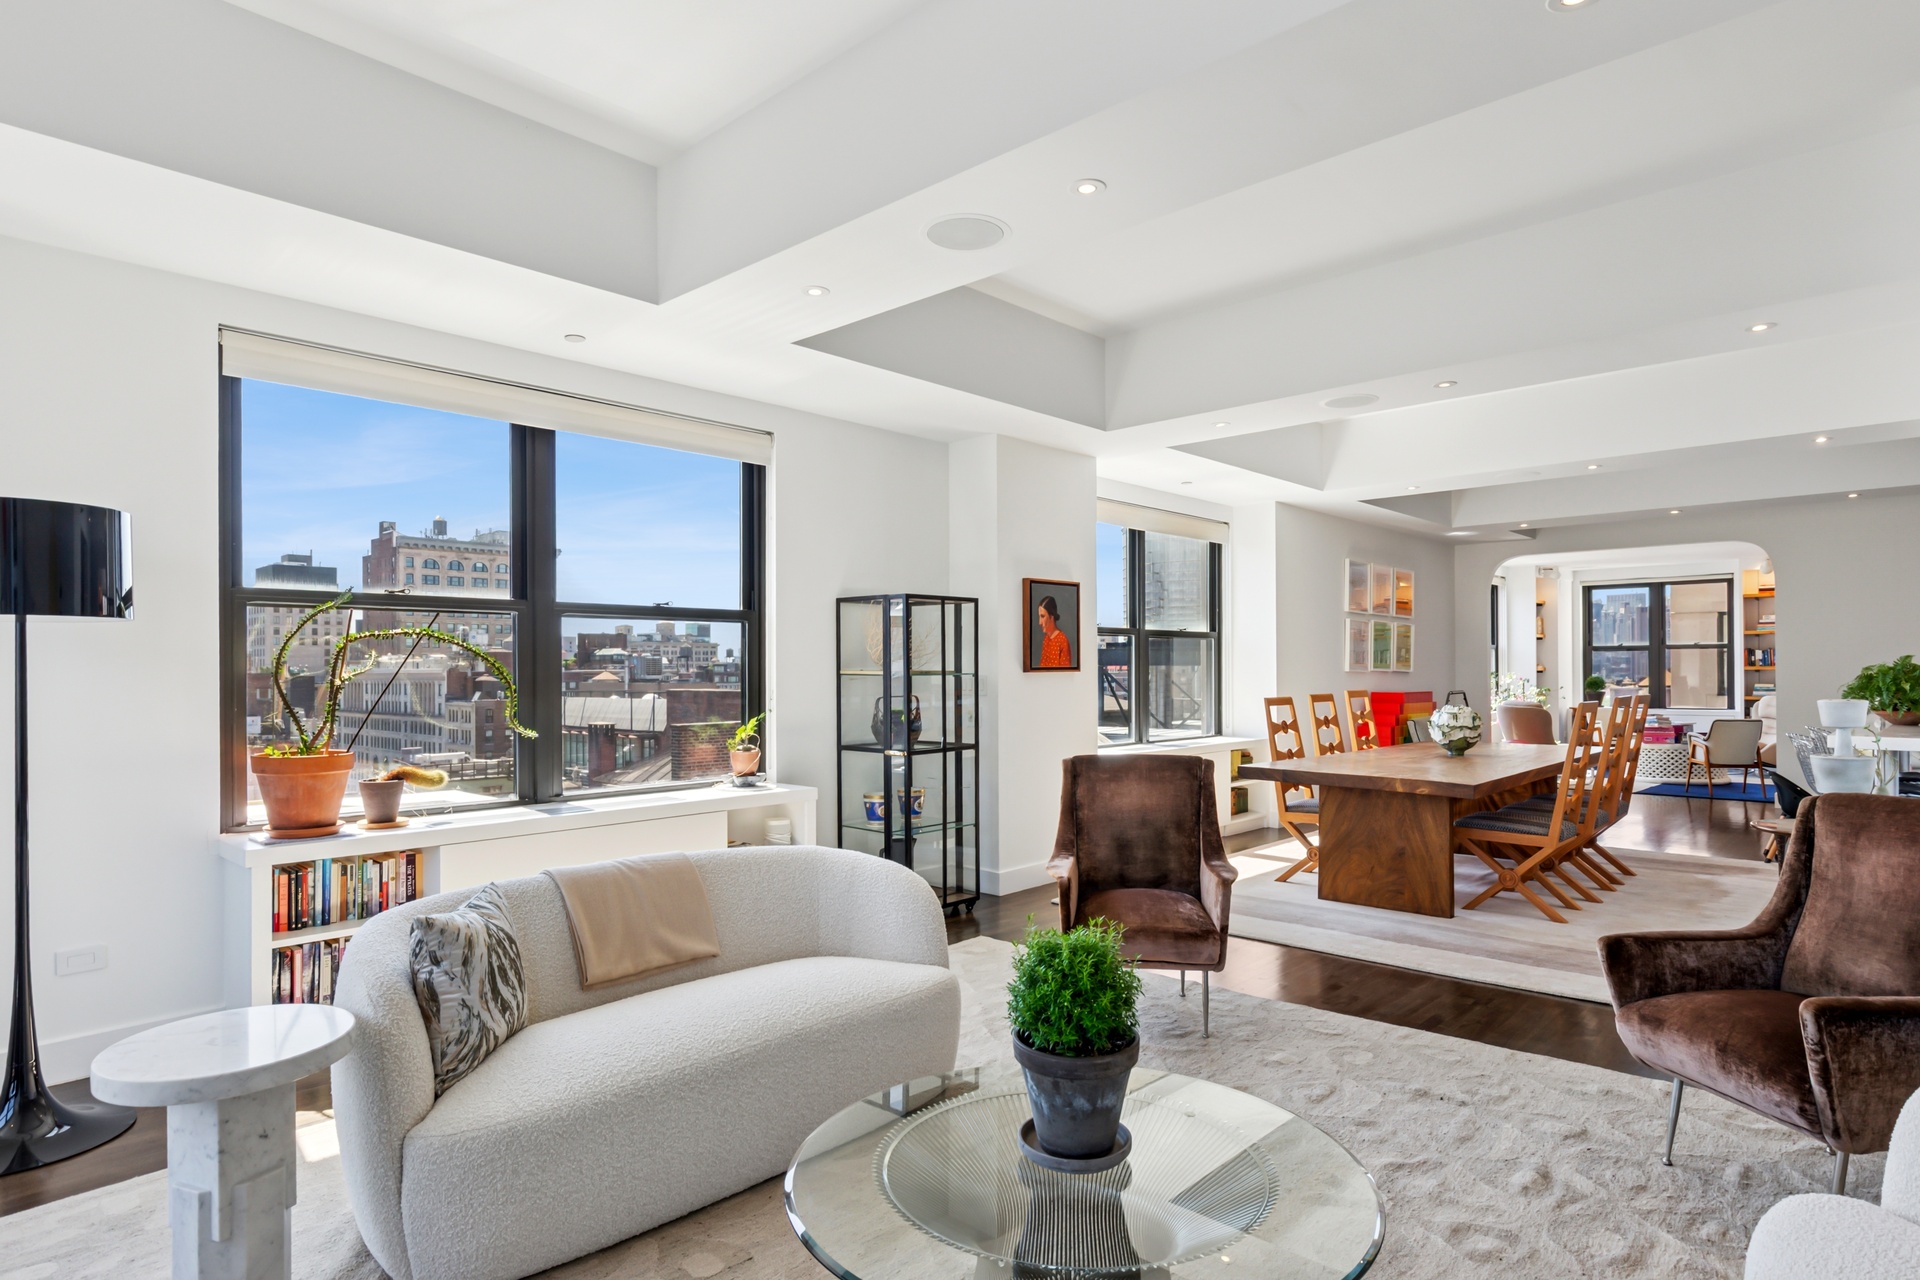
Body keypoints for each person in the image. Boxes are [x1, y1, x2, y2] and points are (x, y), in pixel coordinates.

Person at [1036, 594, 1073, 668]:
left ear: (1051, 617)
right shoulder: (1046, 638)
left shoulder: (1063, 641)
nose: (1039, 622)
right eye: (1039, 617)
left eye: (1042, 616)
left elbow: (1066, 673)